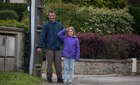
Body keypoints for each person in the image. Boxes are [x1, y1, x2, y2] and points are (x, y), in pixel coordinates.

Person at [37, 10, 64, 83]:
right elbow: (42, 36)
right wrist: (39, 46)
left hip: (57, 48)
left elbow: (63, 36)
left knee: (58, 64)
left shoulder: (60, 25)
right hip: (49, 48)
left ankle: (60, 78)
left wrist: (62, 45)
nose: (51, 17)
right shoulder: (46, 25)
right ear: (48, 16)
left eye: (53, 15)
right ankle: (49, 78)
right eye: (50, 15)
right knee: (49, 64)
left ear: (55, 16)